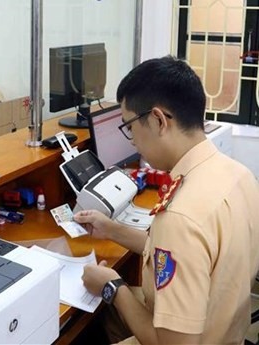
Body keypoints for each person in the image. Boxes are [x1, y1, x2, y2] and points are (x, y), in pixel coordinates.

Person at [74, 56, 259, 344]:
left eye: (129, 127)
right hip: (226, 331)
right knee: (107, 316)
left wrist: (113, 286)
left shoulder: (180, 217)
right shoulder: (239, 175)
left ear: (158, 120)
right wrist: (110, 229)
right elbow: (182, 255)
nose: (131, 140)